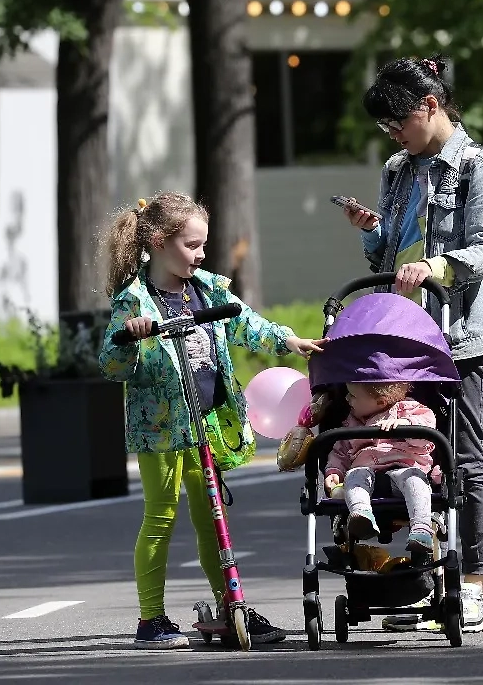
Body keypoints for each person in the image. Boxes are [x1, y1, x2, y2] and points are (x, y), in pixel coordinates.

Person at [99, 191, 326, 649]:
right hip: (161, 429)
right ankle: (151, 620)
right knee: (160, 518)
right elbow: (110, 363)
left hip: (206, 425)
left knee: (212, 520)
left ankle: (231, 605)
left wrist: (288, 340)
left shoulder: (207, 289)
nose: (201, 253)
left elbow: (246, 324)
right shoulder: (136, 300)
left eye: (203, 244)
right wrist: (130, 339)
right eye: (191, 245)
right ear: (159, 242)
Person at [342, 54, 483, 634]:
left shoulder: (476, 166)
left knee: (464, 458)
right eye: (386, 129)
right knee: (393, 456)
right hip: (398, 336)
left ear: (429, 106)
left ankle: (476, 586)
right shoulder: (397, 170)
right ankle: (410, 579)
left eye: (397, 123)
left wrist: (438, 266)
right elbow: (389, 254)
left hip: (456, 336)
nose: (393, 136)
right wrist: (373, 233)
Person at [322, 382, 438, 561]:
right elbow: (340, 452)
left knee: (416, 481)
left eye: (352, 395)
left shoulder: (408, 409)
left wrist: (405, 424)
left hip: (404, 467)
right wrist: (334, 471)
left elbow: (427, 431)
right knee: (354, 476)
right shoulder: (351, 423)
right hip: (367, 473)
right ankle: (361, 515)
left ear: (381, 402)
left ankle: (421, 528)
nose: (346, 399)